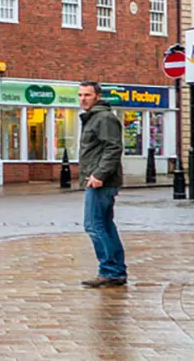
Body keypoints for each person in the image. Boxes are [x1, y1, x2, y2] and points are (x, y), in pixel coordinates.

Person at [78, 81, 127, 287]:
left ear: (97, 96)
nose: (82, 99)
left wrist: (98, 175)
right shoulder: (94, 118)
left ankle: (109, 270)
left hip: (100, 182)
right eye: (80, 95)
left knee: (94, 225)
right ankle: (115, 270)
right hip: (97, 180)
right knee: (105, 225)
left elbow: (113, 148)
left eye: (87, 95)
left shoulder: (104, 118)